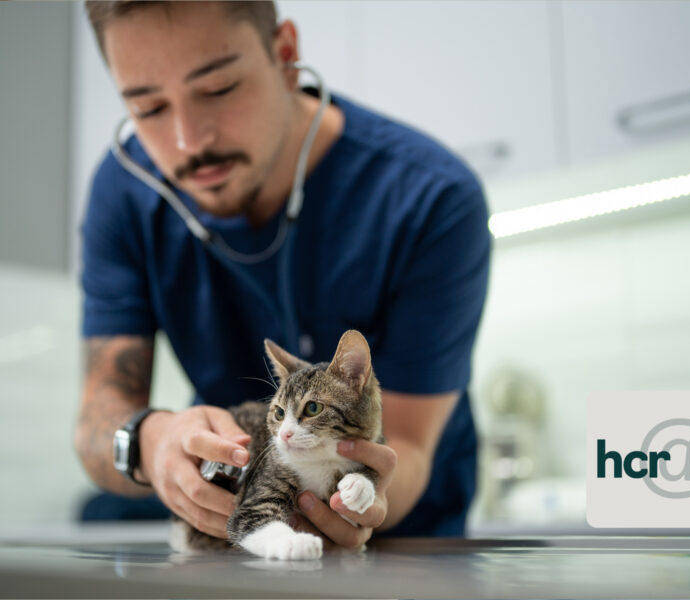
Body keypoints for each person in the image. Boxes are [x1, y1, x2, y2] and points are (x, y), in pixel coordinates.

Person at [75, 0, 490, 547]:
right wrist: (150, 441)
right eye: (148, 108)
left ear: (286, 55)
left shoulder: (431, 199)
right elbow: (96, 427)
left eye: (219, 88)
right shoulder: (125, 194)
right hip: (241, 534)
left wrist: (355, 496)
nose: (188, 142)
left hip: (405, 544)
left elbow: (405, 448)